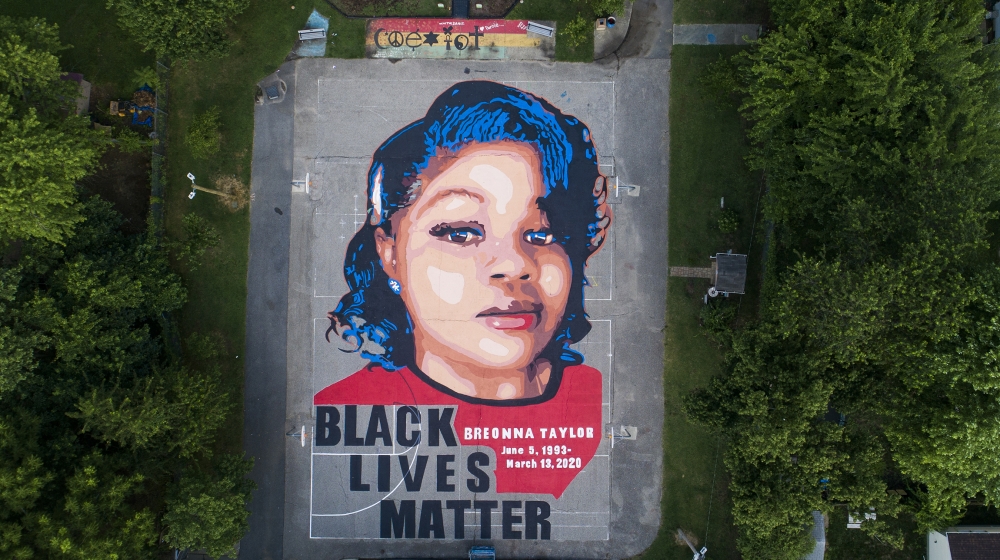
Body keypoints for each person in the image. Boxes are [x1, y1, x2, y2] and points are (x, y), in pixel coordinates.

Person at [314, 81, 609, 496]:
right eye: (460, 233)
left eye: (544, 235)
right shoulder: (341, 411)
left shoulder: (603, 401)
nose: (515, 265)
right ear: (389, 253)